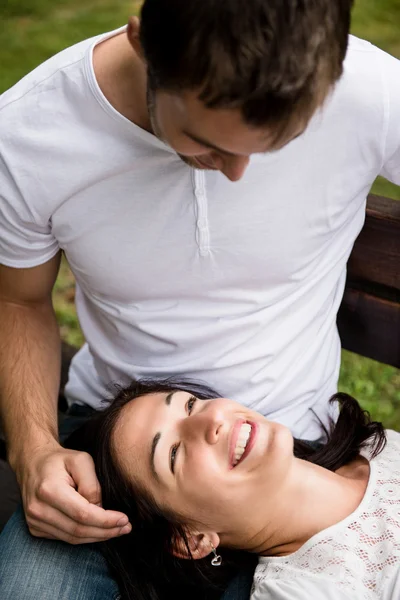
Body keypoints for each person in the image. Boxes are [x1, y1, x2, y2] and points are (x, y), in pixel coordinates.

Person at [0, 0, 399, 598]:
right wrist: (34, 449)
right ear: (143, 43)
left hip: (306, 450)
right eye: (207, 142)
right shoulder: (29, 135)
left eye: (273, 144)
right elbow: (18, 301)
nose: (236, 173)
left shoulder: (369, 91)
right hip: (118, 463)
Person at [64, 378, 399, 600]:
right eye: (174, 453)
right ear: (191, 539)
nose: (212, 421)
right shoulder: (302, 591)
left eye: (190, 405)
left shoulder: (377, 448)